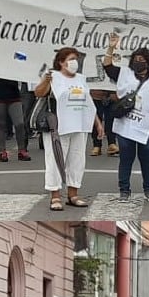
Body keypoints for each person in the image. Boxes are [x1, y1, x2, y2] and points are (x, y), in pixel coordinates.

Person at [104, 34, 149, 201]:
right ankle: (124, 190)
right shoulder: (125, 73)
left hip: (148, 125)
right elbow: (108, 66)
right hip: (126, 123)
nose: (137, 62)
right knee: (126, 158)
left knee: (147, 157)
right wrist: (111, 47)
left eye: (141, 59)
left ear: (148, 62)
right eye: (135, 59)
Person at [34, 47, 96, 210]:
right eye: (70, 59)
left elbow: (88, 101)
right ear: (61, 62)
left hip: (79, 125)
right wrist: (46, 80)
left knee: (77, 159)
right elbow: (39, 93)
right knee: (54, 159)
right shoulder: (53, 76)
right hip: (58, 126)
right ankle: (55, 196)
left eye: (75, 58)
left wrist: (97, 123)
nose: (74, 62)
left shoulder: (81, 79)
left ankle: (73, 194)